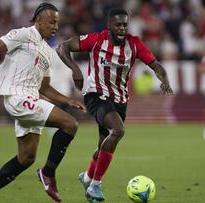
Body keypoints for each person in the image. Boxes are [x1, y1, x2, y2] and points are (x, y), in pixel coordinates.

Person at [0, 3, 85, 203]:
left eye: (57, 23)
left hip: (32, 98)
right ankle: (48, 172)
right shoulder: (23, 34)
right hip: (18, 98)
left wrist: (68, 100)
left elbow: (44, 87)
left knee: (26, 158)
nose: (56, 27)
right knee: (70, 124)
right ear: (39, 21)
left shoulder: (48, 52)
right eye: (51, 22)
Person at [57, 8, 173, 202]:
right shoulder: (96, 40)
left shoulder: (135, 44)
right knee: (118, 131)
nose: (121, 28)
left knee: (103, 146)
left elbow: (156, 65)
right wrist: (75, 68)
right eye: (118, 25)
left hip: (120, 100)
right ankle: (95, 186)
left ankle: (86, 177)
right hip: (96, 94)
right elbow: (62, 47)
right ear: (109, 25)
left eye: (125, 25)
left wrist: (165, 79)